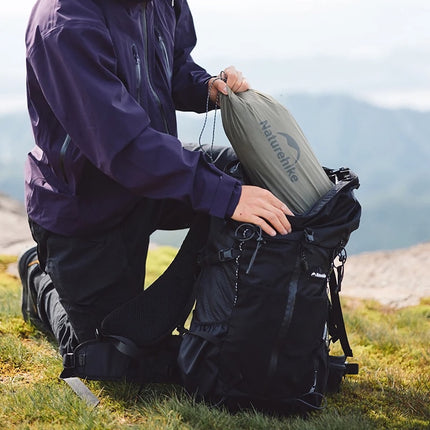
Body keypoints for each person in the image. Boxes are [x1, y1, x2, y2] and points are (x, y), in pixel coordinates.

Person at [19, 0, 293, 360]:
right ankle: (41, 279)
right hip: (87, 205)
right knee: (111, 355)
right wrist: (227, 196)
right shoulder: (65, 22)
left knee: (244, 175)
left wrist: (206, 86)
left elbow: (174, 65)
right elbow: (122, 145)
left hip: (150, 178)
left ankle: (228, 324)